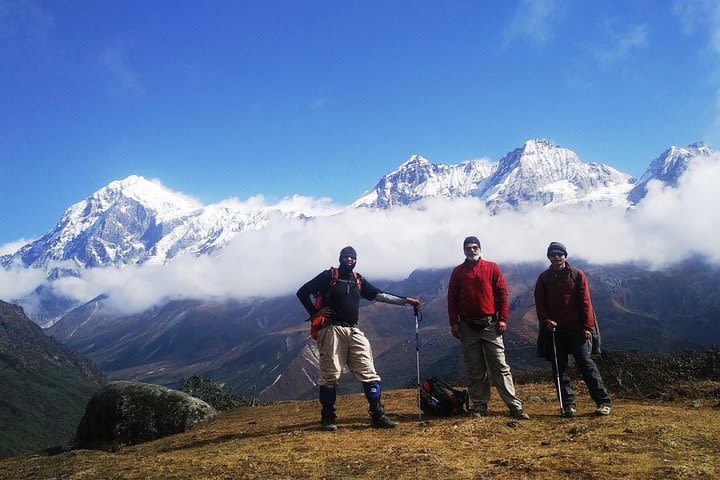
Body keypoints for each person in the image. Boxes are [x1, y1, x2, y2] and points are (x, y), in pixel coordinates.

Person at [297, 246, 421, 431]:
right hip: (331, 330)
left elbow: (379, 295)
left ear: (356, 260)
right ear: (340, 258)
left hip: (353, 330)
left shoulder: (358, 280)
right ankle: (328, 418)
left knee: (369, 372)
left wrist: (406, 301)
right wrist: (315, 313)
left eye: (352, 257)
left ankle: (377, 415)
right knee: (331, 375)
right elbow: (303, 292)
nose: (349, 260)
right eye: (346, 256)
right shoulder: (328, 276)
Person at [447, 236, 529, 420]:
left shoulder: (492, 267)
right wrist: (454, 322)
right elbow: (452, 298)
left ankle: (515, 406)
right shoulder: (457, 272)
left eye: (475, 247)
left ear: (480, 249)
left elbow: (502, 293)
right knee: (475, 369)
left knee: (500, 366)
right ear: (464, 251)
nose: (472, 250)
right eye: (468, 248)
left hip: (491, 324)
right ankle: (479, 406)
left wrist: (503, 319)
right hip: (467, 326)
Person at [534, 241, 612, 417]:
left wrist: (588, 327)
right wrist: (546, 320)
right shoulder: (543, 278)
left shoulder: (577, 275)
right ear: (549, 257)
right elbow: (540, 303)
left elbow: (586, 302)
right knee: (559, 369)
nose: (557, 257)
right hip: (555, 331)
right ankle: (568, 405)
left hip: (577, 329)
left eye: (560, 254)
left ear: (565, 256)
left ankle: (603, 402)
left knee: (586, 365)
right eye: (553, 254)